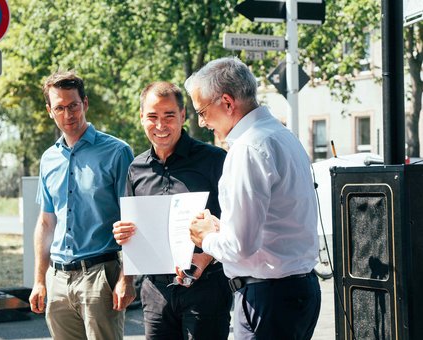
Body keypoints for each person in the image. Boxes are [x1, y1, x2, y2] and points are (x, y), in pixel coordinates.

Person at [185, 57, 321, 340]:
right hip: (296, 291)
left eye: (201, 111)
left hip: (267, 297)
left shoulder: (247, 149)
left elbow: (240, 246)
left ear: (226, 102)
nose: (202, 121)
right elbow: (277, 222)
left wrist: (205, 237)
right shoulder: (283, 135)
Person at [112, 81, 232, 340]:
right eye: (152, 117)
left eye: (169, 116)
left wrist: (207, 257)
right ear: (141, 117)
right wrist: (123, 235)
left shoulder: (214, 161)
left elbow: (236, 221)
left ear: (183, 116)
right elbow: (132, 230)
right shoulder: (136, 169)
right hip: (155, 292)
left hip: (205, 287)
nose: (160, 125)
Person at [28, 70, 136, 340]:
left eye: (73, 105)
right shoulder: (48, 159)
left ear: (85, 104)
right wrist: (40, 280)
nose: (68, 114)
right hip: (57, 279)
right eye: (59, 108)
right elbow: (46, 222)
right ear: (49, 111)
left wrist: (128, 278)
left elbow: (134, 219)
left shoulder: (117, 152)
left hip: (100, 275)